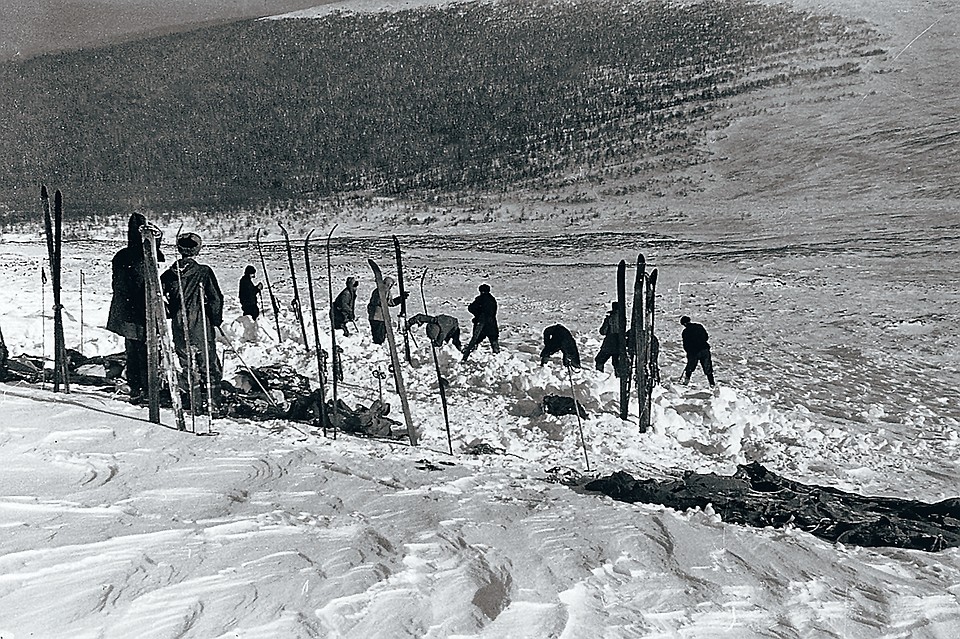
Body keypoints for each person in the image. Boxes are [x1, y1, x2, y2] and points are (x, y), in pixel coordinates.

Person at [160, 232, 225, 412]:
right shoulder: (204, 271)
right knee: (208, 363)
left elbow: (159, 300)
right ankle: (214, 405)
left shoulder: (168, 275)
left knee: (188, 364)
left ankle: (195, 404)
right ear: (197, 250)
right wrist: (216, 319)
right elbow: (215, 298)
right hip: (200, 324)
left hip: (180, 326)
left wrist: (171, 312)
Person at [106, 212, 163, 403]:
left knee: (133, 350)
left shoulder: (122, 255)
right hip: (141, 312)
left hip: (126, 313)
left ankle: (137, 387)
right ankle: (146, 389)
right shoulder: (143, 256)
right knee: (146, 351)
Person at [461, 283, 499, 361]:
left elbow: (471, 308)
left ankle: (466, 357)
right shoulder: (492, 299)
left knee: (475, 340)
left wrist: (477, 314)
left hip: (481, 323)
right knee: (493, 340)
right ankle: (498, 358)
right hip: (491, 324)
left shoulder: (480, 299)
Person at [366, 276, 406, 345]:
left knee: (376, 336)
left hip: (373, 316)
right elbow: (390, 303)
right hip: (380, 317)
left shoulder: (376, 290)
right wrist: (400, 299)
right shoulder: (385, 291)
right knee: (380, 337)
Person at [679, 315, 715, 386]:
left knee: (690, 367)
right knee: (708, 368)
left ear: (684, 324)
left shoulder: (685, 332)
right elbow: (706, 337)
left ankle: (686, 382)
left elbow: (686, 345)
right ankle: (712, 384)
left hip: (693, 352)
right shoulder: (699, 326)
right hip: (704, 349)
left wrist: (689, 352)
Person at [595, 302, 623, 373]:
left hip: (609, 342)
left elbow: (603, 331)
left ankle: (599, 377)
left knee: (600, 360)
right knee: (617, 363)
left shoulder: (609, 318)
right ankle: (619, 378)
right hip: (620, 343)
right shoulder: (622, 318)